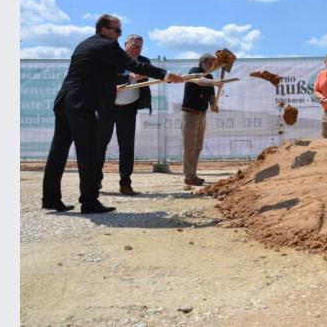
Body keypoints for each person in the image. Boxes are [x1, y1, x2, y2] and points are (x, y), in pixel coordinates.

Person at [42, 14, 184, 214]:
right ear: (103, 29)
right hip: (82, 105)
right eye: (117, 31)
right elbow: (134, 65)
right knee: (89, 153)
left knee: (58, 152)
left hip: (65, 101)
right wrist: (167, 76)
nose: (119, 35)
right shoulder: (107, 46)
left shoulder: (84, 44)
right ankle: (89, 201)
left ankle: (50, 198)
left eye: (120, 31)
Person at [98, 34, 153, 196]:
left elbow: (154, 75)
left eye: (140, 47)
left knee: (127, 147)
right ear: (125, 44)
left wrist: (169, 77)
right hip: (108, 107)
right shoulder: (112, 58)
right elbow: (105, 78)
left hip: (129, 109)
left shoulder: (143, 61)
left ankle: (125, 183)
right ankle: (95, 180)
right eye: (134, 46)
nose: (137, 49)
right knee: (100, 144)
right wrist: (128, 77)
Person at [181, 53, 228, 186]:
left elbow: (211, 94)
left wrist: (213, 105)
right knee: (189, 146)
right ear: (203, 62)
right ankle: (188, 176)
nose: (212, 66)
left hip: (202, 114)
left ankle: (193, 174)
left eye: (214, 63)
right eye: (211, 63)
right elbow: (200, 81)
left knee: (197, 146)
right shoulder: (194, 71)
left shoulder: (210, 76)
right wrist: (214, 82)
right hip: (190, 114)